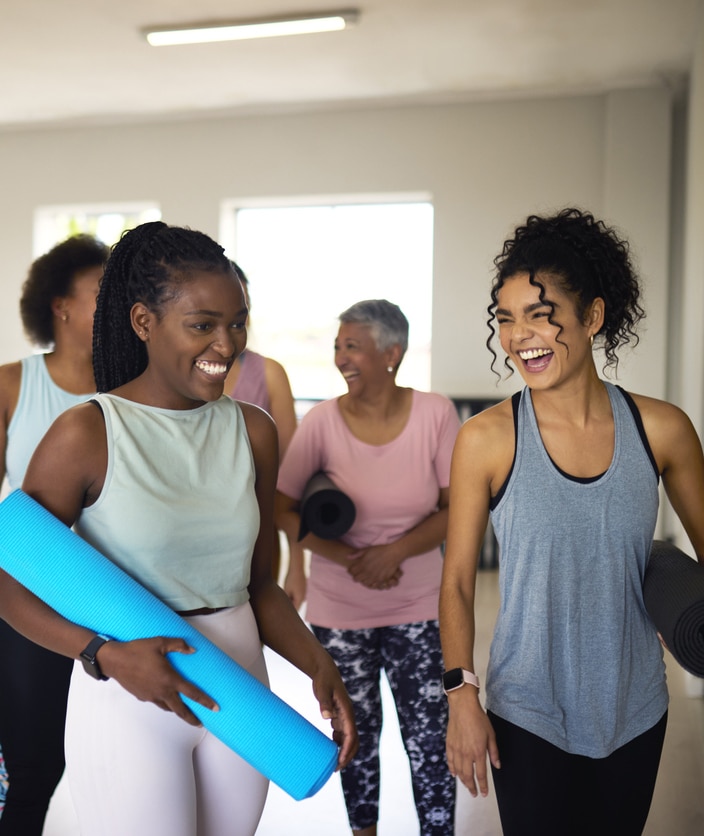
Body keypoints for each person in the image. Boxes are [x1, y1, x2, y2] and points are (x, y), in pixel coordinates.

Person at [0, 221, 357, 836]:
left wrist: (317, 663)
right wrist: (103, 654)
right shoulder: (88, 431)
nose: (227, 343)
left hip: (237, 683)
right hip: (131, 691)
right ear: (144, 321)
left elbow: (257, 586)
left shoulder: (252, 429)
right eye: (203, 325)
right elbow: (11, 575)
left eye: (238, 322)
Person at [439, 207, 704, 835]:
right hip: (526, 709)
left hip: (634, 704)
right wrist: (460, 695)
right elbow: (454, 582)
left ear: (592, 317)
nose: (519, 335)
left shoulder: (662, 429)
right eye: (505, 318)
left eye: (540, 313)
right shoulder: (486, 439)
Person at [276, 299, 461, 836]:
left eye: (351, 346)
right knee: (354, 738)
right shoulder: (321, 422)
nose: (340, 358)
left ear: (391, 353)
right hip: (341, 612)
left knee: (429, 740)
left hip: (421, 608)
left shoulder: (434, 414)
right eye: (338, 347)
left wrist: (392, 553)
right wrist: (351, 559)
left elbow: (457, 507)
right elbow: (281, 507)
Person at [0, 234, 108, 834]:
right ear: (60, 306)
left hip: (115, 602)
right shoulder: (12, 384)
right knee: (36, 766)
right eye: (99, 292)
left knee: (105, 766)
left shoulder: (131, 391)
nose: (114, 304)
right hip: (29, 600)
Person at [224, 263, 307, 608]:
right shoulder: (172, 377)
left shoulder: (268, 373)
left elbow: (292, 481)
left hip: (256, 540)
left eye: (239, 312)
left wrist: (298, 566)